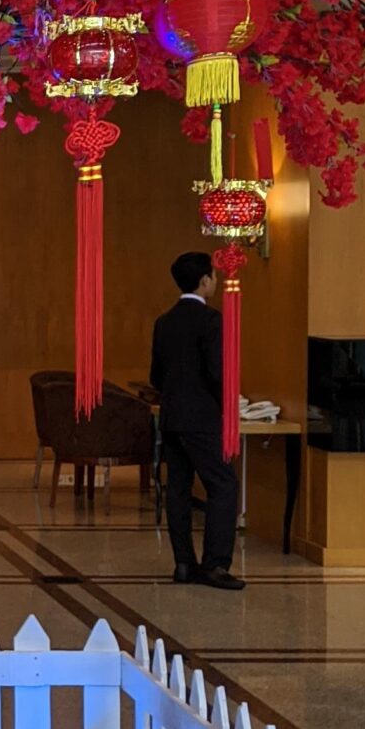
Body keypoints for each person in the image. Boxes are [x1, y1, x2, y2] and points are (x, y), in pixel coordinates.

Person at [150, 250, 244, 592]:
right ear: (205, 281)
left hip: (172, 418)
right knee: (223, 485)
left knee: (179, 488)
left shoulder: (164, 322)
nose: (216, 283)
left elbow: (156, 376)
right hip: (202, 418)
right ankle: (216, 565)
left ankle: (184, 563)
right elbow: (218, 373)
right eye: (214, 278)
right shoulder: (211, 321)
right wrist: (227, 406)